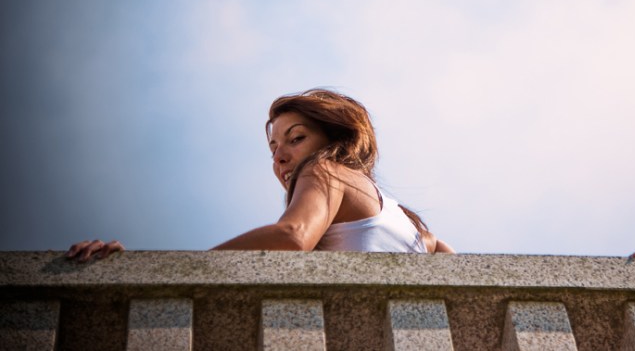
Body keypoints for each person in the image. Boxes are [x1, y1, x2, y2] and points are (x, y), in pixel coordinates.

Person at [67, 89, 454, 261]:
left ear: (333, 139)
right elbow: (448, 258)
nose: (281, 156)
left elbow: (293, 235)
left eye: (296, 139)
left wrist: (168, 269)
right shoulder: (407, 221)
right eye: (272, 150)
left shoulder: (324, 168)